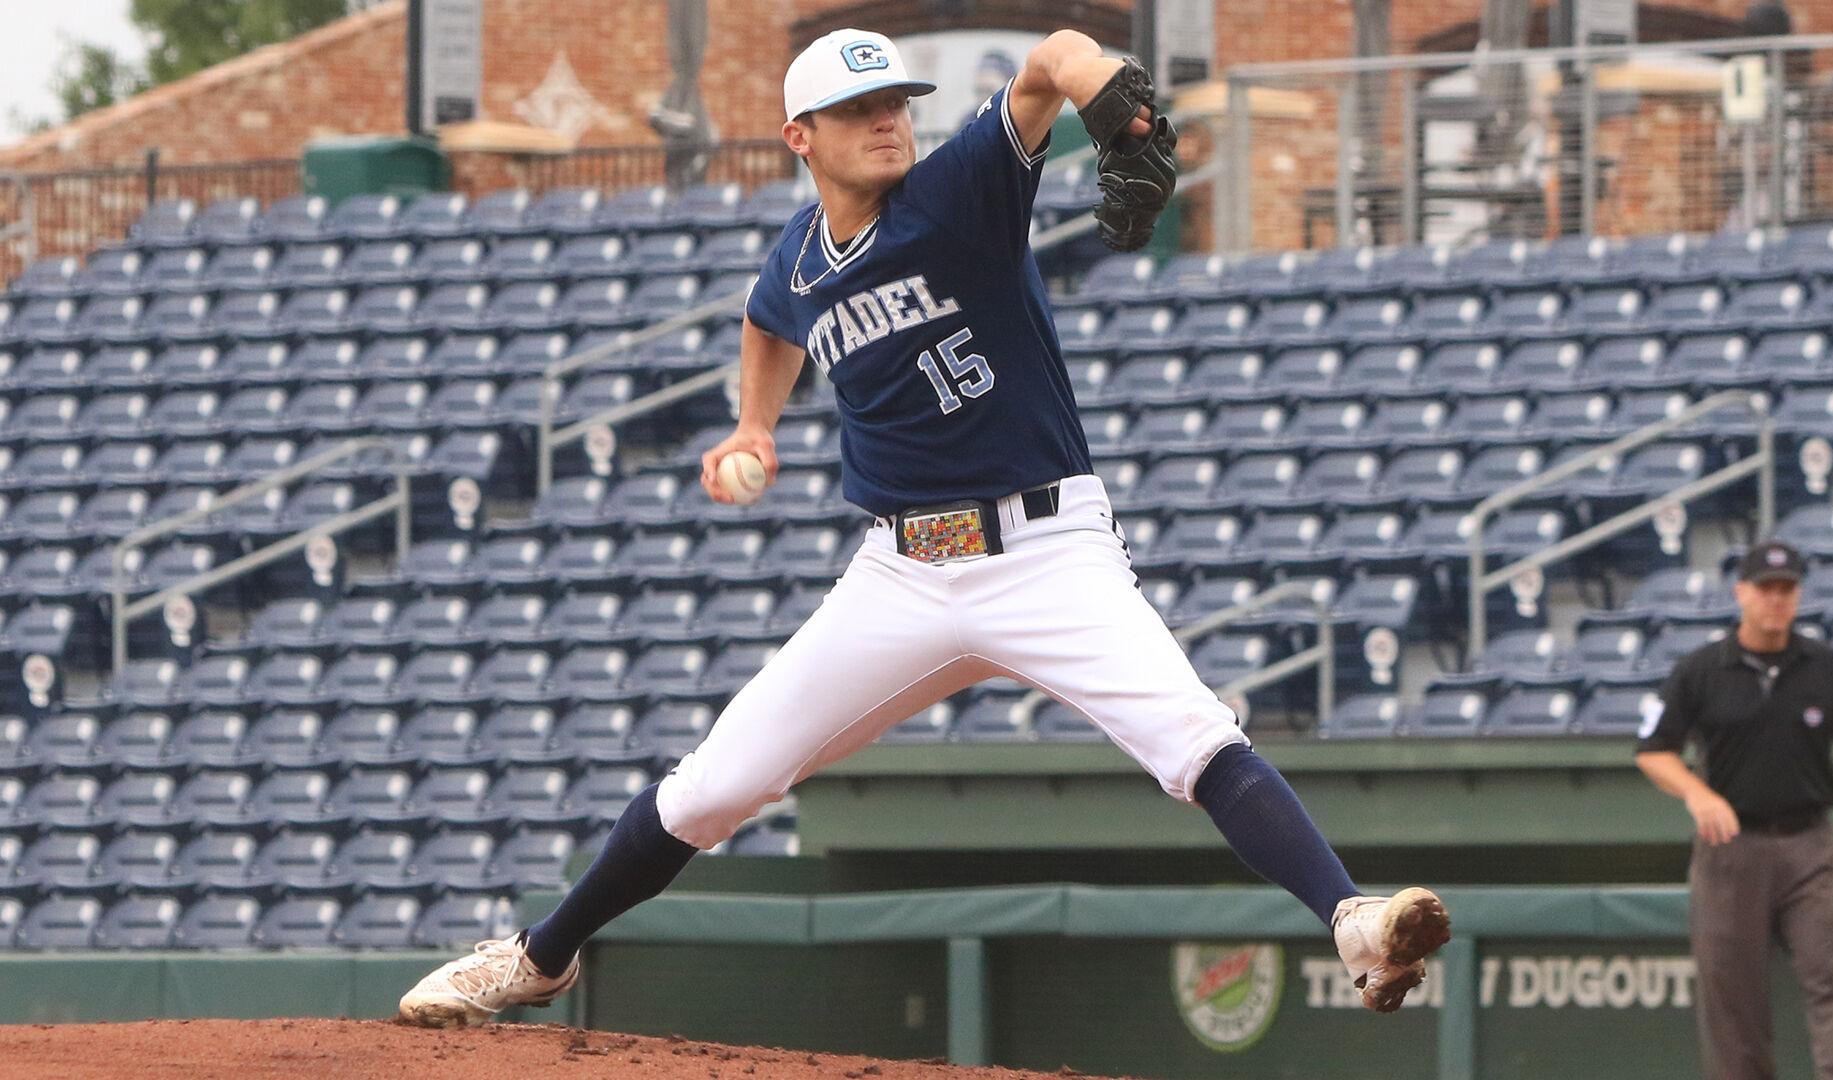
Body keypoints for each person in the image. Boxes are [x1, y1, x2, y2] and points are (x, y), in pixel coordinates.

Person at [396, 26, 1449, 1028]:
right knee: (717, 784)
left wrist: (1101, 91)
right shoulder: (800, 257)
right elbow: (770, 322)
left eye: (895, 99)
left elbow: (1044, 68)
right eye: (856, 108)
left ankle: (1351, 919)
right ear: (799, 136)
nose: (887, 119)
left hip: (1045, 548)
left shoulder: (959, 190)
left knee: (1192, 736)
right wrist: (751, 424)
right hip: (901, 573)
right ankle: (540, 958)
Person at [1634, 540, 1833, 1080]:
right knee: (1734, 1001)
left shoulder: (1827, 667)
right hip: (1731, 850)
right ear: (1742, 593)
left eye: (1788, 589)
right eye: (1766, 588)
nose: (1777, 599)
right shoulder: (1702, 668)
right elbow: (1653, 751)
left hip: (1809, 844)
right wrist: (1698, 792)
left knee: (1829, 981)